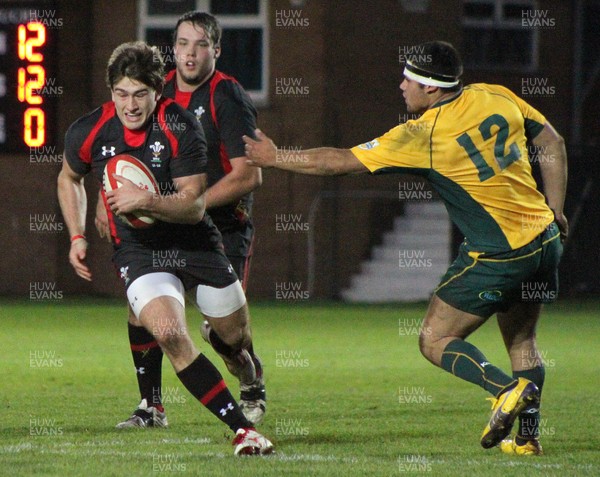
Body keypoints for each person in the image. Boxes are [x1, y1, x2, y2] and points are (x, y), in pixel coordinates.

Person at [243, 41, 567, 456]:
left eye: (409, 79)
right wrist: (555, 208)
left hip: (501, 252)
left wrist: (275, 157)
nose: (401, 86)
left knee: (434, 338)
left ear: (431, 88)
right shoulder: (494, 94)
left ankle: (506, 388)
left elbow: (336, 161)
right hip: (545, 240)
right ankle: (527, 440)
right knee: (522, 339)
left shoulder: (423, 134)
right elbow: (552, 143)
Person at [57, 41, 273, 455]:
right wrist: (77, 235)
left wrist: (146, 200)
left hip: (194, 242)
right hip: (139, 251)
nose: (130, 105)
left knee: (234, 339)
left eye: (140, 94)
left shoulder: (180, 126)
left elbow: (193, 205)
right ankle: (242, 430)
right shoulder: (90, 129)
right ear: (111, 92)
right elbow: (68, 177)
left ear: (158, 92)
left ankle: (247, 370)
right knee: (171, 334)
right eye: (121, 93)